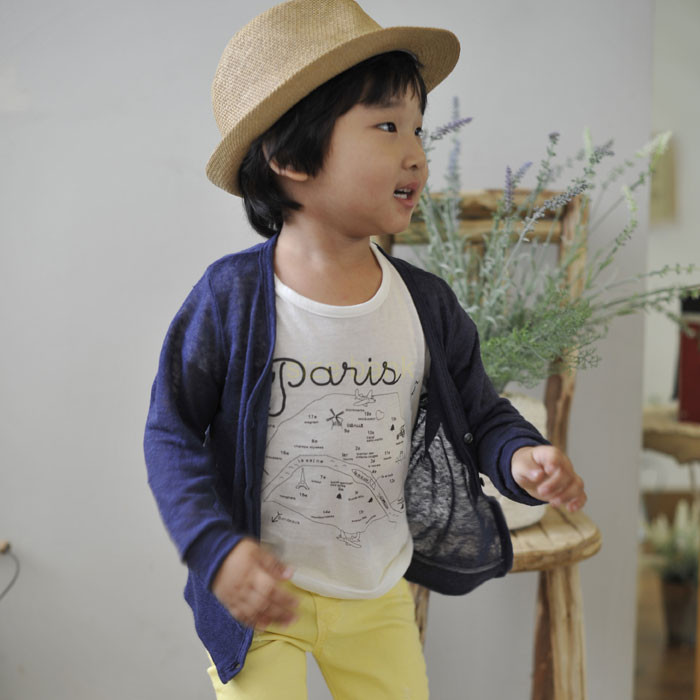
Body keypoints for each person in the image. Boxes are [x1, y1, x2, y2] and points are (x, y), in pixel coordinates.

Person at [143, 0, 588, 698]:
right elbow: (170, 430)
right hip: (263, 605)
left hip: (377, 593)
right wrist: (215, 549)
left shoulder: (426, 304)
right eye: (386, 126)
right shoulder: (230, 299)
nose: (416, 153)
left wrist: (518, 456)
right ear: (290, 156)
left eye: (418, 129)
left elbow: (481, 413)